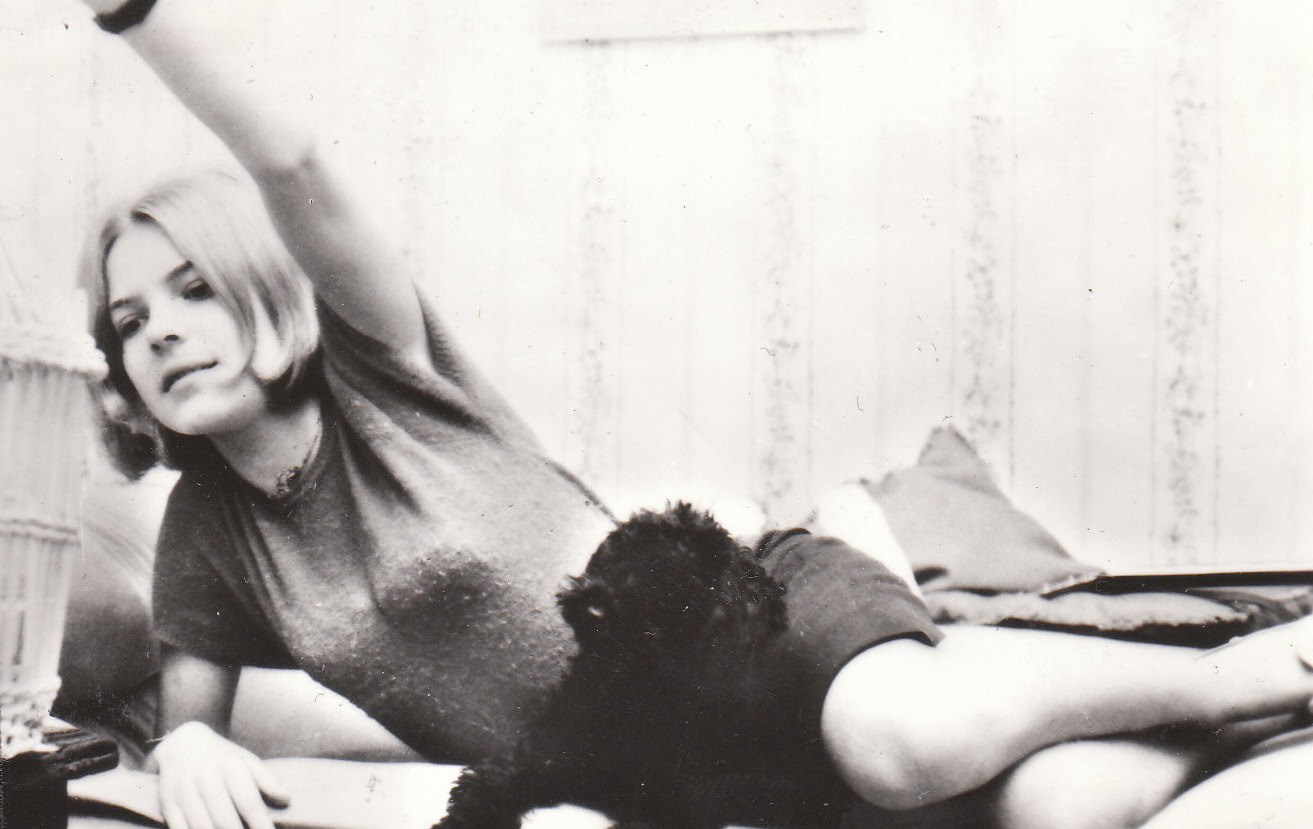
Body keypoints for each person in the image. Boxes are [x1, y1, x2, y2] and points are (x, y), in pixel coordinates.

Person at [71, 1, 1313, 828]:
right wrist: (187, 750)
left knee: (901, 741)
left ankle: (1230, 672)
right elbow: (187, 727)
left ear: (263, 287)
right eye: (128, 320)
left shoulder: (382, 372)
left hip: (734, 617)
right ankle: (1249, 722)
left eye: (193, 288)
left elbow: (291, 162)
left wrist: (137, 14)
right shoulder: (206, 538)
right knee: (1055, 810)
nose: (161, 329)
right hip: (658, 766)